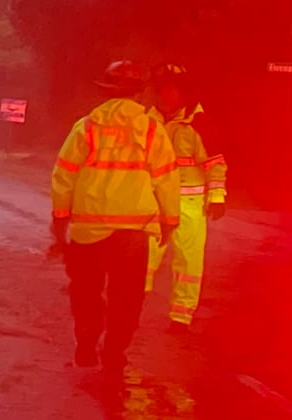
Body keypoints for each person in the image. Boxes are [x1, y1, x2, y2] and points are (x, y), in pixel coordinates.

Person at [51, 60, 181, 378]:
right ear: (139, 93)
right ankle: (114, 353)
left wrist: (60, 219)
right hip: (133, 233)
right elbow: (166, 177)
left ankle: (85, 345)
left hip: (88, 231)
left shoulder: (87, 126)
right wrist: (170, 220)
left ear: (106, 90)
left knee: (86, 293)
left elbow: (63, 175)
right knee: (127, 298)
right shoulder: (152, 130)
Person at [145, 64, 228, 334]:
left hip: (189, 205)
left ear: (183, 93)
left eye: (171, 90)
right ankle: (131, 304)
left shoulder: (200, 125)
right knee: (143, 257)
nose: (165, 96)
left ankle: (181, 317)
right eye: (162, 90)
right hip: (153, 201)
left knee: (188, 262)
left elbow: (215, 164)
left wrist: (217, 196)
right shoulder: (148, 121)